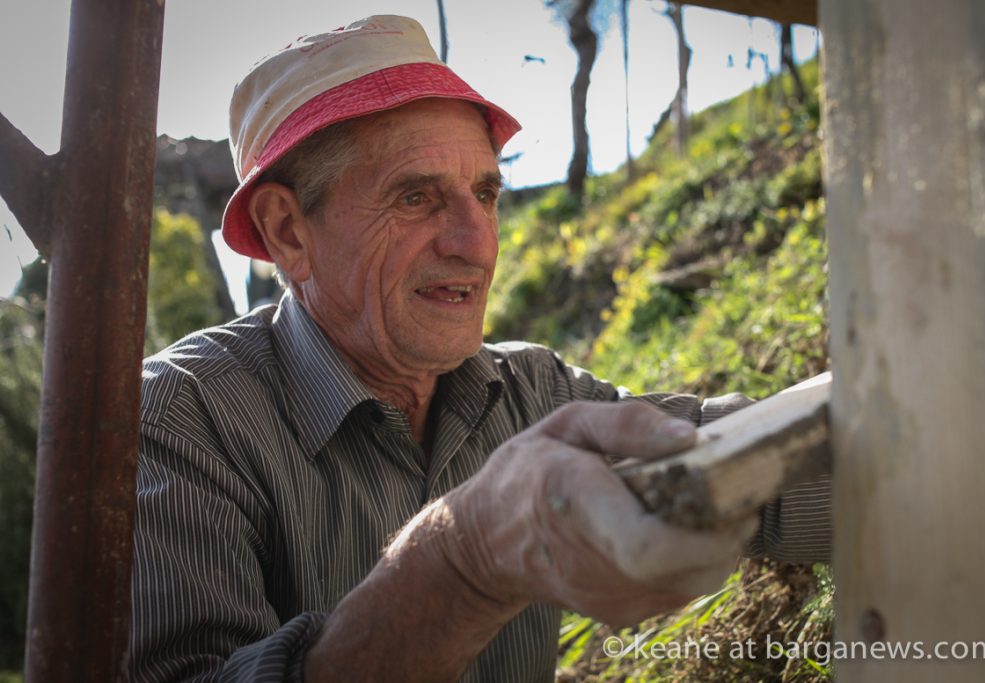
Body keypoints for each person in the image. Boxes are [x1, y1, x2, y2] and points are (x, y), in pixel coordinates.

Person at [130, 15, 830, 682]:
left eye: (487, 193)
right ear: (287, 231)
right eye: (414, 197)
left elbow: (767, 471)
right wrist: (466, 557)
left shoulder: (533, 391)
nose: (476, 243)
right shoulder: (180, 419)